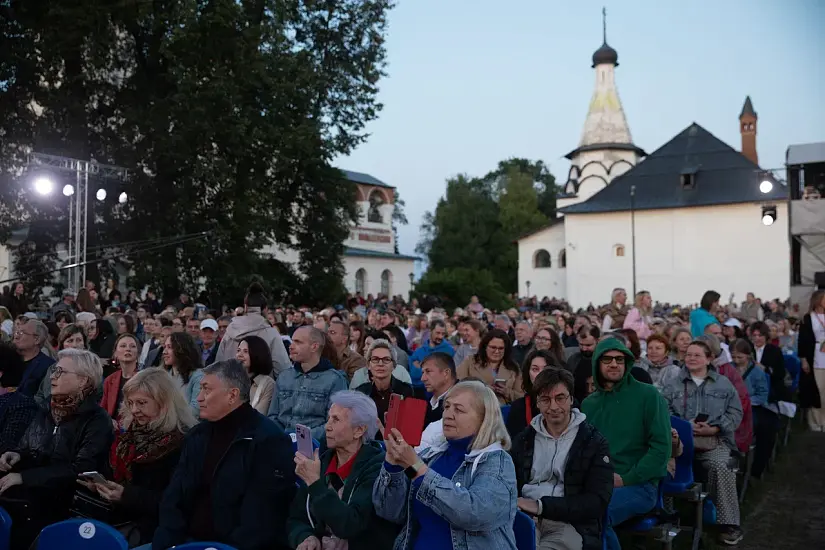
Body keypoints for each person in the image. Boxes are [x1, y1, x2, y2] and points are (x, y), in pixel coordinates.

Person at [151, 360, 296, 550]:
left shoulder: (268, 441)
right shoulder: (198, 435)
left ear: (232, 395)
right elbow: (174, 499)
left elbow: (261, 519)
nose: (199, 398)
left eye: (206, 389)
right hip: (186, 542)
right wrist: (166, 544)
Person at [373, 380, 518, 550]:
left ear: (484, 419)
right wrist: (394, 464)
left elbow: (475, 514)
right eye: (447, 407)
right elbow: (390, 512)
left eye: (459, 409)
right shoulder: (433, 456)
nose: (448, 415)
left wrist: (417, 467)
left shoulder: (497, 462)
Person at [0, 349, 111, 548]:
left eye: (60, 372)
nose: (52, 376)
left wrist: (24, 477)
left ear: (83, 381)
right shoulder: (47, 410)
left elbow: (80, 470)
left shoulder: (97, 420)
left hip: (64, 507)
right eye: (53, 371)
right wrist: (16, 454)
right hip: (32, 499)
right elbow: (30, 448)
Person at [78, 368, 196, 547]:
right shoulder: (129, 435)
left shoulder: (183, 442)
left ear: (164, 403)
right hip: (119, 522)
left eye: (142, 403)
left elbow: (177, 502)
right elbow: (116, 475)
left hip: (155, 533)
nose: (134, 410)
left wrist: (126, 495)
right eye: (130, 402)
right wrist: (101, 485)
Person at [581, 338, 671, 550]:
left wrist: (625, 479)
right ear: (597, 364)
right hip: (597, 484)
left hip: (640, 485)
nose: (614, 364)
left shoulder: (648, 395)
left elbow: (660, 449)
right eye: (608, 359)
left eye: (619, 359)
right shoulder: (588, 404)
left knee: (595, 514)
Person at [511, 369, 613, 550]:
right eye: (545, 400)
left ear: (571, 399)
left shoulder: (593, 442)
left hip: (569, 522)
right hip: (524, 517)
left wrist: (541, 506)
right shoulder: (524, 440)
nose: (553, 407)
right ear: (537, 403)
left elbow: (596, 501)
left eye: (560, 398)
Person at [288, 391, 398, 550]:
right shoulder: (322, 462)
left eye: (336, 420)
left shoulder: (377, 467)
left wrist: (314, 483)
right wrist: (305, 536)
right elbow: (296, 518)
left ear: (359, 430)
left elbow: (350, 525)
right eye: (328, 418)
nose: (327, 427)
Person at [661, 340, 744, 546]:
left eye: (697, 355)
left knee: (720, 466)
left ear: (709, 358)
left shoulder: (723, 383)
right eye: (688, 354)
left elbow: (735, 412)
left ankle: (728, 524)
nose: (691, 358)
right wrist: (683, 426)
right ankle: (667, 515)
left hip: (712, 441)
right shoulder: (673, 384)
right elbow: (663, 410)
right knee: (663, 465)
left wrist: (715, 427)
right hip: (679, 443)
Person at [268, 326, 348, 440]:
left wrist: (301, 438)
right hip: (280, 442)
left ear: (314, 346)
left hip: (315, 447)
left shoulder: (335, 380)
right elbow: (273, 415)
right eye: (292, 341)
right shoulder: (284, 376)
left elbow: (334, 422)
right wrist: (281, 437)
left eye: (298, 342)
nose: (291, 346)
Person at [216, 282, 291, 377]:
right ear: (265, 309)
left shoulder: (229, 331)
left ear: (246, 307)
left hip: (230, 387)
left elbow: (218, 365)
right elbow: (282, 369)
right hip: (261, 389)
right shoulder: (271, 333)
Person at [730, 339, 776, 479]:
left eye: (740, 357)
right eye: (734, 357)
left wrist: (746, 402)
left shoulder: (757, 372)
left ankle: (751, 466)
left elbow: (762, 395)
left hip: (752, 407)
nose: (736, 360)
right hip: (731, 406)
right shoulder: (729, 369)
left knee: (755, 426)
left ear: (748, 355)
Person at [355, 339, 413, 438]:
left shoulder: (405, 390)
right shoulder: (360, 392)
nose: (380, 364)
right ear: (368, 365)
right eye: (375, 359)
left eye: (386, 359)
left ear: (393, 365)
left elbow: (409, 429)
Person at [457, 328, 523, 404]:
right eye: (493, 347)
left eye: (501, 348)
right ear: (485, 347)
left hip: (503, 411)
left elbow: (521, 396)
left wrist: (507, 392)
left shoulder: (513, 367)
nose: (497, 351)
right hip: (475, 408)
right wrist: (483, 389)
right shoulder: (470, 361)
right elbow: (458, 385)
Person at [506, 349, 560, 439]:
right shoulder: (519, 407)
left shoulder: (567, 402)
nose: (540, 374)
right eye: (535, 369)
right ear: (528, 373)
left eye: (546, 369)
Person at [798, 289, 825, 430]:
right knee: (817, 391)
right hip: (815, 357)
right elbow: (802, 340)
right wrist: (803, 359)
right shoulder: (808, 318)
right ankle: (815, 421)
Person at [161, 332, 205, 418]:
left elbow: (195, 411)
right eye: (164, 347)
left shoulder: (198, 376)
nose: (164, 352)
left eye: (169, 347)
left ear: (182, 349)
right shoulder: (165, 376)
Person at [102, 333, 142, 425]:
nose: (128, 349)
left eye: (132, 346)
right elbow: (103, 410)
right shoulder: (109, 380)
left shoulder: (144, 379)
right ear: (115, 353)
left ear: (138, 353)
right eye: (123, 346)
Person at [12, 317, 54, 396]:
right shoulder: (7, 360)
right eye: (16, 332)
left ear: (37, 339)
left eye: (21, 333)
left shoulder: (48, 367)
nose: (16, 337)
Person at [236, 335, 276, 414]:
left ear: (257, 354)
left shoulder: (268, 384)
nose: (239, 355)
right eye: (238, 350)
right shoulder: (231, 378)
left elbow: (259, 416)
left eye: (245, 351)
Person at [409, 320, 455, 387]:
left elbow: (444, 375)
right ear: (430, 331)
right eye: (438, 333)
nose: (440, 337)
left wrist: (421, 367)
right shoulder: (420, 350)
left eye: (443, 334)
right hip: (417, 388)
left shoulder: (449, 350)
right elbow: (413, 375)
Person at [420, 351, 458, 427]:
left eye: (428, 371)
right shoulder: (427, 401)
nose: (422, 379)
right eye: (422, 373)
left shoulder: (460, 403)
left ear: (446, 373)